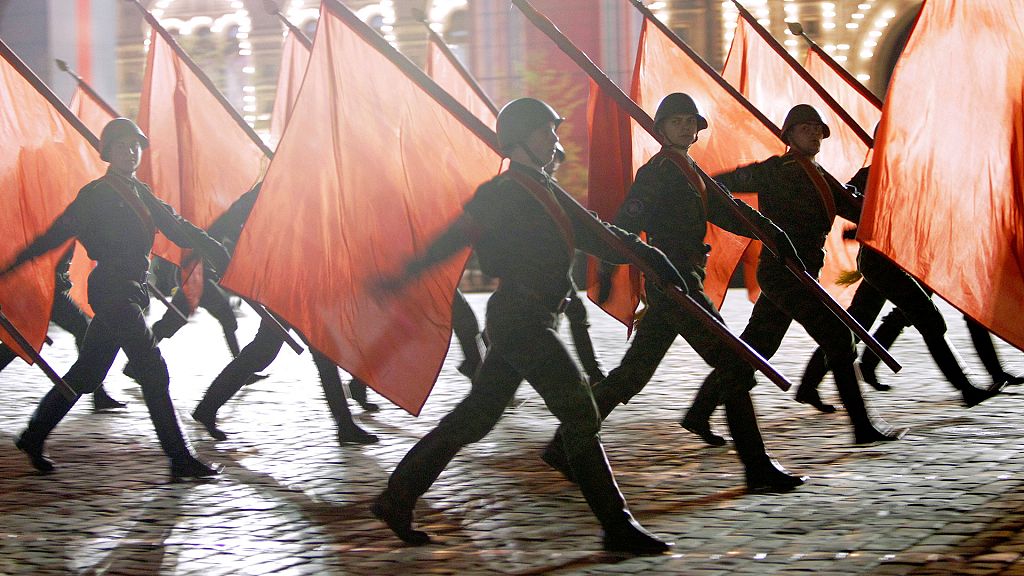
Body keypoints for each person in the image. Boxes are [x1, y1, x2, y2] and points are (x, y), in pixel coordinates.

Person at [371, 97, 677, 554]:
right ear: (520, 139)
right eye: (545, 131)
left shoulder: (546, 189)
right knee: (580, 412)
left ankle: (396, 499)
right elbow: (455, 237)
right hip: (519, 318)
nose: (554, 139)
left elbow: (600, 235)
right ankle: (617, 525)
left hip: (535, 316)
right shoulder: (502, 193)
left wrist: (655, 260)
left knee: (475, 418)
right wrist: (405, 274)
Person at [541, 93, 805, 493]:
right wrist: (620, 269)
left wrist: (774, 236)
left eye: (690, 121)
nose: (685, 127)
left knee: (632, 375)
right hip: (674, 282)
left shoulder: (689, 170)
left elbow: (729, 209)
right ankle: (756, 466)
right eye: (676, 120)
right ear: (660, 128)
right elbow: (626, 224)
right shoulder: (659, 172)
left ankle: (564, 443)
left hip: (682, 282)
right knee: (734, 366)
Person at [0, 118, 228, 480]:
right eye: (122, 145)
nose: (131, 151)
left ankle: (33, 435)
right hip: (112, 289)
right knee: (152, 370)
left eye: (135, 145)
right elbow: (57, 232)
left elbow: (175, 225)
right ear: (109, 152)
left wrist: (211, 245)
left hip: (131, 290)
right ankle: (179, 457)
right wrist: (11, 265)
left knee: (88, 373)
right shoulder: (97, 193)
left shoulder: (140, 192)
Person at [682, 105, 905, 445]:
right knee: (839, 339)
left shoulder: (820, 174)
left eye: (817, 129)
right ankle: (862, 427)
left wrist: (887, 195)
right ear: (788, 135)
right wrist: (705, 193)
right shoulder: (776, 169)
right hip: (783, 270)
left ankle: (699, 411)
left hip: (802, 271)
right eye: (805, 129)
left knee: (759, 346)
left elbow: (854, 210)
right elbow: (722, 183)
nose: (813, 134)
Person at [796, 165, 1003, 412]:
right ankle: (966, 389)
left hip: (902, 260)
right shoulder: (871, 174)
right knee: (929, 319)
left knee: (855, 324)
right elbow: (844, 200)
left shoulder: (917, 172)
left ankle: (809, 384)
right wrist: (870, 218)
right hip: (880, 263)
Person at [189, 184, 378, 446]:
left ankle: (207, 407)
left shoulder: (321, 181)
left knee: (264, 352)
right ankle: (345, 426)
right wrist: (231, 260)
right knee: (318, 352)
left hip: (307, 281)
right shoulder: (276, 181)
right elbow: (230, 220)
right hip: (286, 284)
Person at [0, 246, 126, 411]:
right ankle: (97, 393)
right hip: (45, 287)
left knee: (24, 340)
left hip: (47, 285)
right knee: (81, 328)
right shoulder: (65, 222)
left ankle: (98, 393)